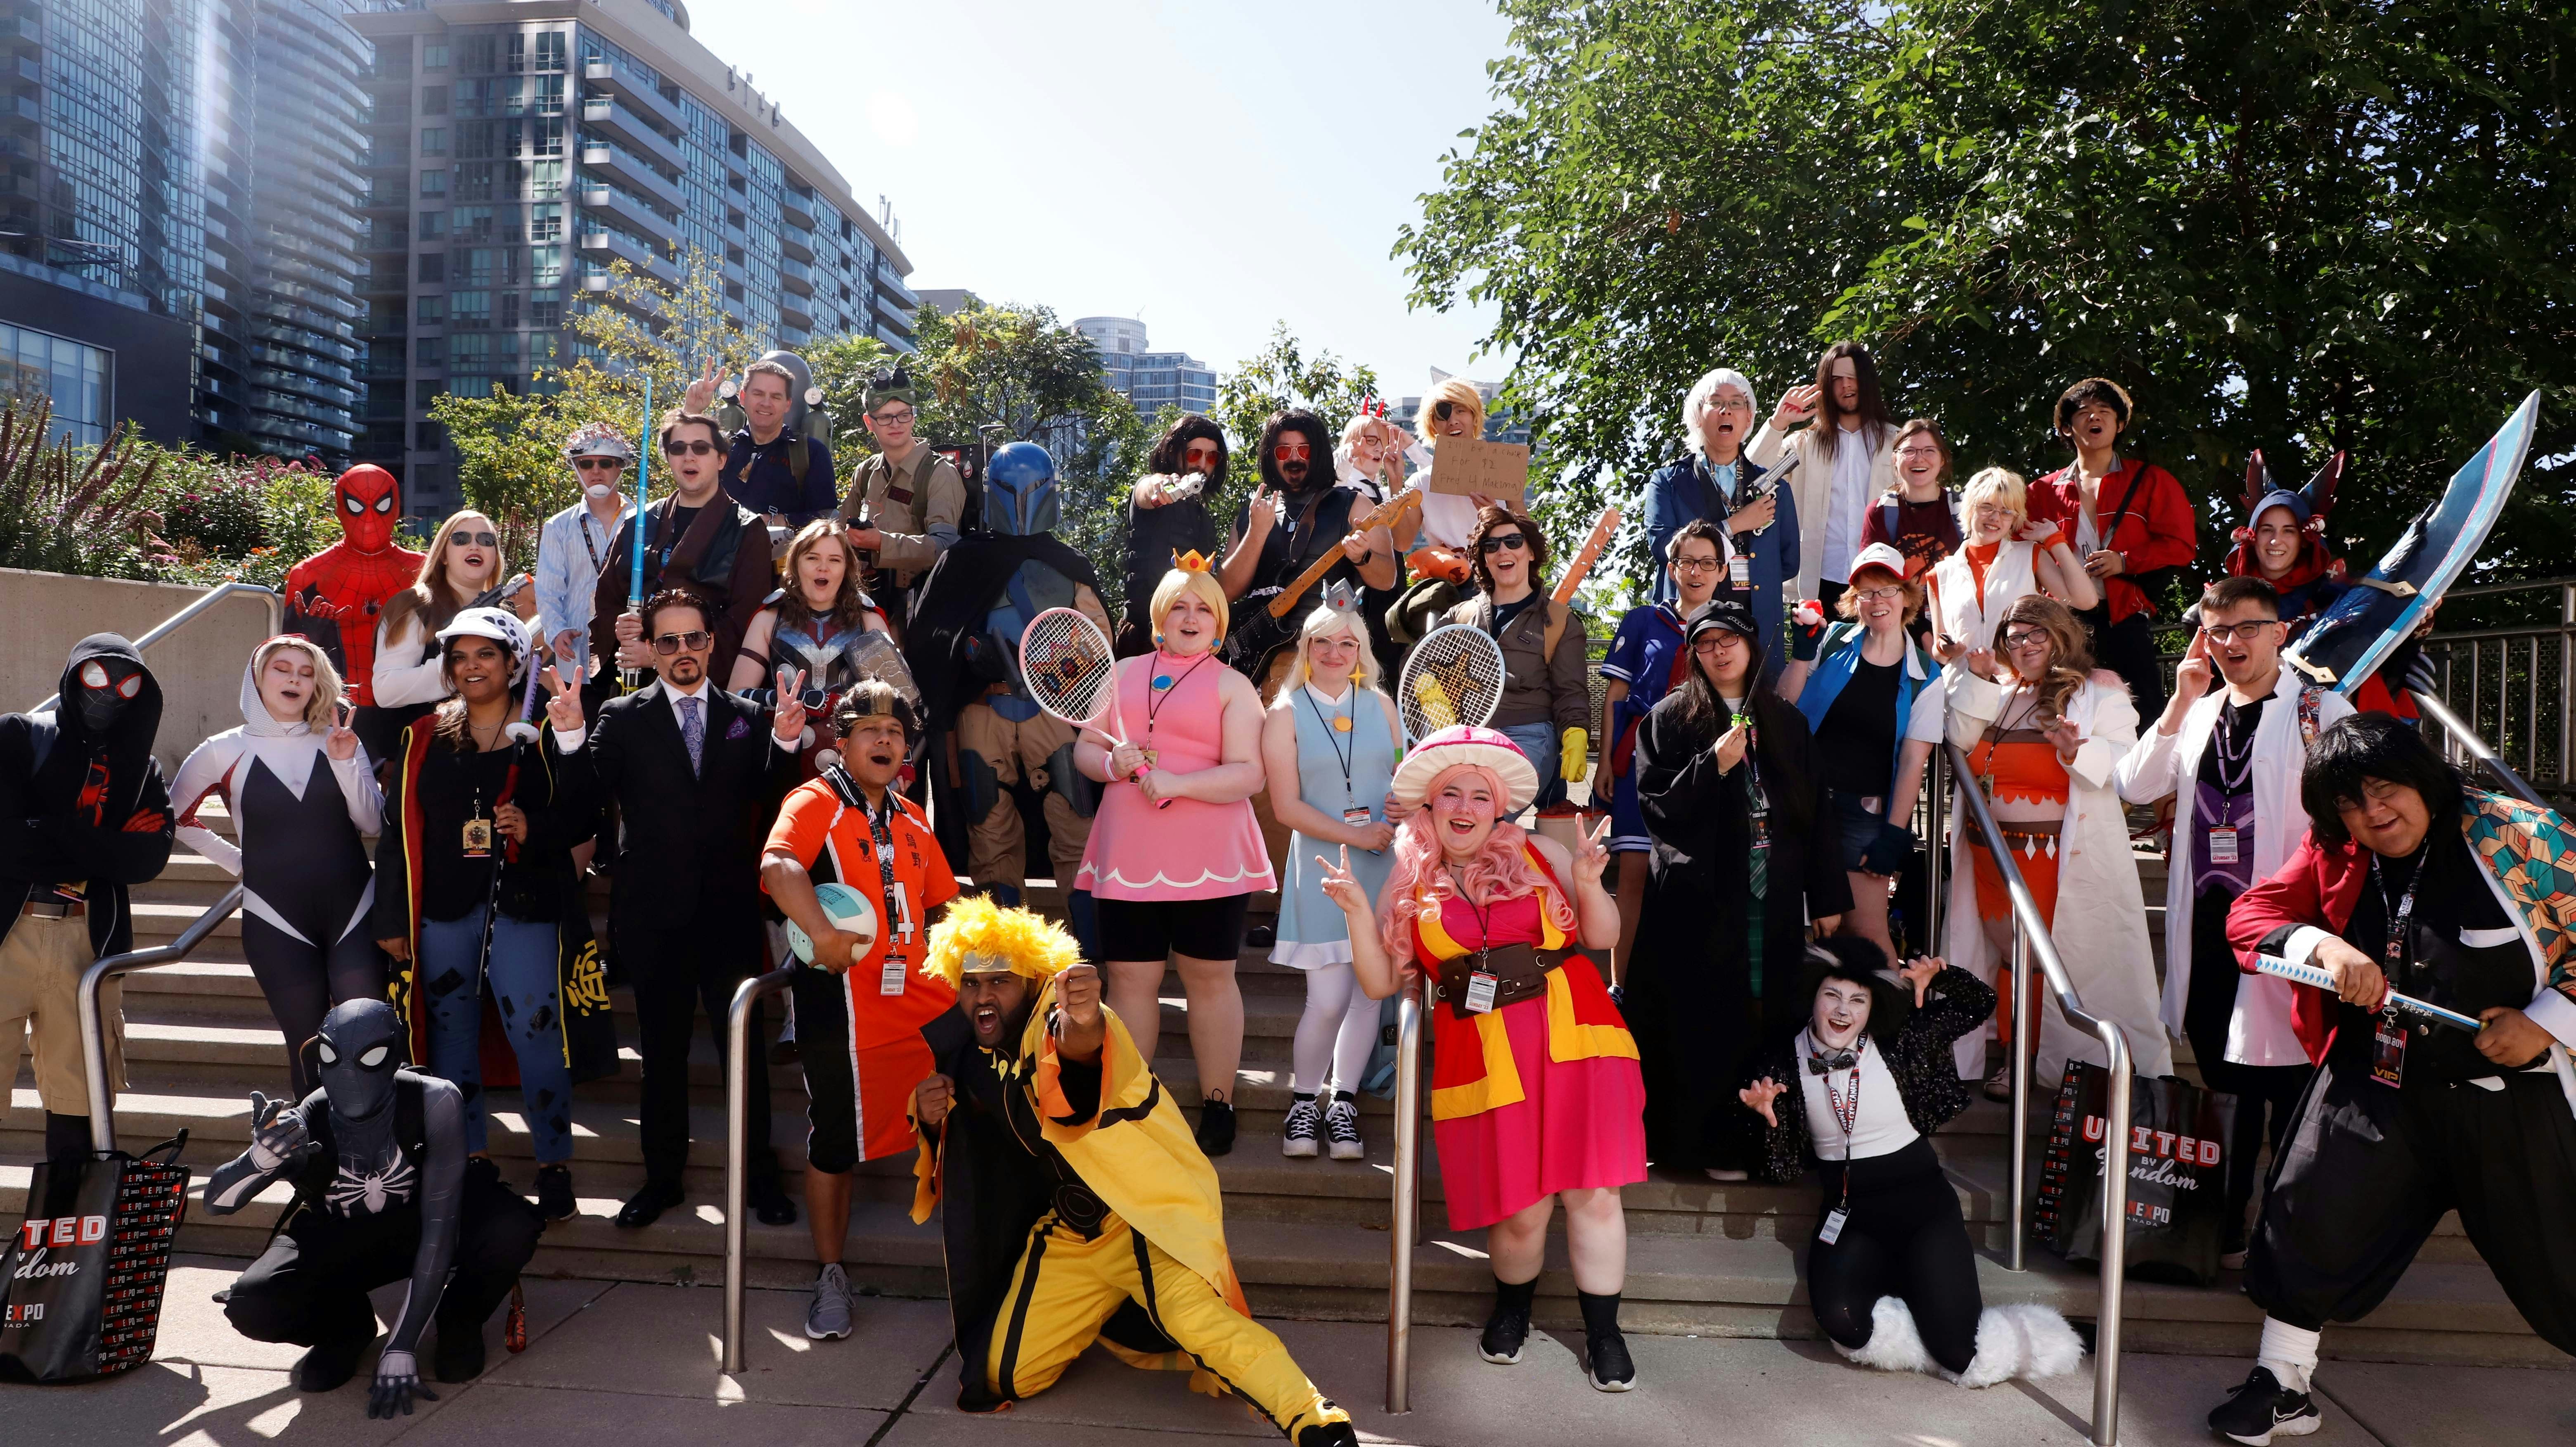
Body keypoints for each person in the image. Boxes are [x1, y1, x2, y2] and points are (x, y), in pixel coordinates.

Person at [2210, 714, 2576, 1442]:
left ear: (2423, 775)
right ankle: (2281, 1380)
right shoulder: (2338, 846)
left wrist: (2551, 1019)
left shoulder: (2526, 835)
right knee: (2306, 1211)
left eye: (2385, 789)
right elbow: (2254, 914)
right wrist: (2321, 945)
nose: (2372, 813)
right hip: (2378, 1077)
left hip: (2512, 1093)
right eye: (2349, 802)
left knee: (2564, 1255)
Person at [906, 898, 1358, 1444]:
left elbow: (1074, 1062)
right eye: (971, 983)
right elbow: (975, 1129)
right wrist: (931, 1114)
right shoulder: (970, 1052)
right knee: (997, 1379)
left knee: (1202, 1327)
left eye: (1000, 981)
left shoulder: (1062, 1022)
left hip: (1144, 1220)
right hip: (1072, 1236)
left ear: (1033, 981)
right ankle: (1110, 1307)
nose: (983, 996)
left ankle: (1314, 1418)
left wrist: (1087, 1019)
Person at [1326, 726, 1644, 1390]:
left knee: (1594, 1193)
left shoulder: (1542, 855)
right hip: (1484, 1051)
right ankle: (1513, 1310)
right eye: (1450, 794)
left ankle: (1606, 1334)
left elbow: (1602, 936)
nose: (1464, 806)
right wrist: (1358, 910)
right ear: (1429, 806)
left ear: (1498, 806)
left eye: (1479, 794)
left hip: (1577, 1034)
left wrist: (1589, 880)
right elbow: (1383, 984)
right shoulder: (1408, 882)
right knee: (1521, 1206)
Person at [2116, 578, 2353, 1267]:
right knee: (2226, 1074)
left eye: (2248, 628)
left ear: (2280, 632)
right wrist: (2181, 695)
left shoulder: (2320, 708)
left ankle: (2287, 1231)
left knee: (2288, 1083)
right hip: (2211, 929)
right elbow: (2134, 785)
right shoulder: (2201, 708)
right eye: (2217, 631)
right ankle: (2224, 1221)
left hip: (2291, 928)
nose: (2231, 644)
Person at [556, 588, 806, 1228]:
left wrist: (784, 743)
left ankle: (760, 1182)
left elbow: (775, 801)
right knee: (663, 1057)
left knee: (741, 1059)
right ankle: (662, 1181)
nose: (683, 652)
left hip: (727, 914)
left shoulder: (744, 715)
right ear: (653, 649)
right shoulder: (621, 716)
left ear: (712, 642)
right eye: (668, 642)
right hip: (653, 917)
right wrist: (569, 736)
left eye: (694, 638)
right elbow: (585, 799)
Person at [1738, 939, 2082, 1385]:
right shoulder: (1783, 1060)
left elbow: (1980, 1004)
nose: (1843, 1011)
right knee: (1845, 1324)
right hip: (1851, 1218)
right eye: (1833, 996)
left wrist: (1940, 977)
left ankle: (2033, 1334)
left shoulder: (1900, 1040)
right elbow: (1782, 1169)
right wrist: (1766, 1122)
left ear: (1871, 1008)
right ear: (1813, 998)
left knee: (1961, 1355)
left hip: (1924, 1212)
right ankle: (1919, 1303)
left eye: (1857, 1000)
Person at [372, 609, 611, 1222]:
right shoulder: (422, 735)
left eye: (486, 655)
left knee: (536, 1035)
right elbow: (397, 833)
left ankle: (554, 1162)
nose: (471, 667)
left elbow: (587, 816)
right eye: (459, 656)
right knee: (450, 1039)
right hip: (443, 912)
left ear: (513, 663)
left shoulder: (546, 731)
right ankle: (470, 1159)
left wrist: (535, 825)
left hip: (523, 907)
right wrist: (393, 919)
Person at [206, 999, 542, 1404]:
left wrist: (402, 1344)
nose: (349, 1076)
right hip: (344, 1233)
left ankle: (460, 1320)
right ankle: (346, 1329)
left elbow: (440, 1228)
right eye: (333, 1057)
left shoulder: (433, 1101)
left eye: (370, 1058)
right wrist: (257, 1161)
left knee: (510, 1227)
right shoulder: (307, 1119)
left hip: (421, 1219)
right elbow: (217, 1205)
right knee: (253, 1304)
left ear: (395, 1056)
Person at [760, 682, 960, 1341]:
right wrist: (819, 931)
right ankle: (831, 1275)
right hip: (840, 1003)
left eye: (896, 733)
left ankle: (981, 1260)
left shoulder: (912, 814)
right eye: (869, 730)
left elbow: (940, 905)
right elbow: (778, 865)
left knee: (973, 1107)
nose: (884, 741)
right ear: (840, 742)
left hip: (917, 1001)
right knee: (836, 1141)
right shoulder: (814, 800)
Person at [1631, 596, 1848, 1179]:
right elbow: (1657, 809)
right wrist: (1714, 765)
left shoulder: (1787, 723)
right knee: (1703, 1019)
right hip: (1701, 904)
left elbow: (1816, 816)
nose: (1718, 651)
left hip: (1772, 899)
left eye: (1729, 640)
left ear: (1752, 647)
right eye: (1705, 643)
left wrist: (1827, 897)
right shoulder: (1669, 719)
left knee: (1769, 1015)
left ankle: (1767, 1143)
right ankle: (1702, 1145)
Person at [1075, 555, 1274, 1156]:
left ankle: (1219, 1103)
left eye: (1204, 608)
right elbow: (1086, 749)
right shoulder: (1121, 673)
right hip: (1128, 849)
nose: (1192, 617)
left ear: (1219, 622)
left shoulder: (1234, 685)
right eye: (1180, 606)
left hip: (1211, 854)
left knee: (1210, 979)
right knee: (1131, 979)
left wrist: (1181, 785)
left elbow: (1250, 774)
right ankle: (1132, 1101)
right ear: (1161, 616)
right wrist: (1115, 763)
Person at [1939, 595, 2174, 1095]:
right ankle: (2014, 1052)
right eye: (2015, 636)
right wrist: (1976, 680)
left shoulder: (2099, 692)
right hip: (1990, 856)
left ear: (2061, 634)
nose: (2024, 646)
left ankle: (2038, 1062)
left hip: (2053, 858)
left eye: (2036, 634)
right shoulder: (1999, 689)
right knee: (2008, 957)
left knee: (2045, 959)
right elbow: (1957, 739)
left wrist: (2077, 752)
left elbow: (2124, 768)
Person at [903, 443, 1114, 943]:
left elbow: (1098, 646)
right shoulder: (963, 560)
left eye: (1033, 489)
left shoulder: (1068, 565)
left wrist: (1059, 666)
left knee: (1076, 824)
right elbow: (931, 639)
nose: (1022, 500)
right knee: (988, 830)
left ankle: (1091, 957)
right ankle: (1004, 959)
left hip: (1055, 707)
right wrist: (969, 656)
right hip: (982, 708)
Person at [172, 638, 385, 1099]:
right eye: (282, 668)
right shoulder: (221, 750)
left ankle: (376, 1159)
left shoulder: (339, 739)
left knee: (369, 1042)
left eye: (306, 673)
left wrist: (346, 763)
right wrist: (241, 863)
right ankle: (320, 1163)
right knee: (308, 1051)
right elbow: (176, 819)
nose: (294, 678)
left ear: (316, 685)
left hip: (355, 910)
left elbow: (372, 822)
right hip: (275, 920)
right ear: (257, 677)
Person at [0, 635, 174, 1163]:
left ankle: (66, 1240)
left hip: (88, 941)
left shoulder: (143, 773)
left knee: (81, 1107)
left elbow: (145, 861)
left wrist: (49, 830)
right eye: (98, 676)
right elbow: (9, 843)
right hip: (9, 931)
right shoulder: (19, 736)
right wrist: (103, 844)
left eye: (128, 683)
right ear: (74, 675)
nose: (111, 693)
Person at [1260, 584, 1402, 1161]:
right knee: (1327, 1000)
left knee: (1371, 994)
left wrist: (1401, 803)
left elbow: (1402, 773)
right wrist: (1357, 834)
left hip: (1381, 865)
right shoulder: (1284, 714)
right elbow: (1286, 808)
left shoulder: (1383, 705)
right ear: (1308, 646)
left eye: (1348, 643)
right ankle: (1303, 1103)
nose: (1336, 652)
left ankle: (1343, 1103)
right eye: (1325, 643)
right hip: (1322, 869)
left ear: (1362, 649)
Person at [1781, 543, 1944, 966]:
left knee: (1867, 932)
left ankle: (1895, 1030)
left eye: (1887, 590)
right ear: (1854, 600)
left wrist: (1894, 834)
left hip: (1864, 817)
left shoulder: (1926, 676)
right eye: (1867, 592)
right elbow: (1783, 711)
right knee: (1793, 927)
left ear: (1906, 596)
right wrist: (1801, 655)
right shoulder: (1831, 640)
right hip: (1803, 804)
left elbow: (1913, 761)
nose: (1877, 601)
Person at [1596, 519, 1729, 981]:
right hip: (1638, 765)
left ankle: (1678, 990)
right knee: (1632, 878)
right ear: (1672, 568)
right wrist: (1604, 763)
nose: (1697, 572)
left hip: (1700, 769)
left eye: (1708, 563)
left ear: (1722, 570)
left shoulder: (1730, 630)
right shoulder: (1642, 620)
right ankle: (1622, 987)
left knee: (1691, 880)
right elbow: (1616, 696)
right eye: (1687, 561)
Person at [2025, 377, 2198, 719]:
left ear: (2120, 425)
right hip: (2062, 620)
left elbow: (2181, 546)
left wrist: (2125, 561)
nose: (2095, 418)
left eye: (2105, 412)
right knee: (2060, 713)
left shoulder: (2152, 480)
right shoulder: (2040, 492)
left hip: (2124, 615)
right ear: (2065, 427)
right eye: (2085, 412)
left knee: (2141, 714)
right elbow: (2021, 554)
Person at [1217, 407, 1398, 697]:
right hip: (1255, 664)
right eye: (1283, 451)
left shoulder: (1355, 505)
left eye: (1304, 449)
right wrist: (1257, 533)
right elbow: (1224, 591)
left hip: (1327, 658)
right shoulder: (1254, 512)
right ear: (1269, 456)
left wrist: (1362, 558)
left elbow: (1387, 578)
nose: (1294, 458)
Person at [593, 408, 778, 690]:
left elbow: (746, 623)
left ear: (721, 459)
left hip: (705, 686)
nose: (689, 456)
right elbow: (607, 599)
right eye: (678, 448)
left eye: (701, 448)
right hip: (633, 686)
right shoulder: (637, 522)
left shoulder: (747, 530)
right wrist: (621, 628)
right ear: (668, 458)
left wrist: (661, 656)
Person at [727, 518, 916, 773]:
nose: (823, 568)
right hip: (784, 756)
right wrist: (800, 701)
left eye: (835, 560)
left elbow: (900, 703)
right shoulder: (768, 619)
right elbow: (736, 696)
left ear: (847, 568)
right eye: (813, 558)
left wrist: (903, 765)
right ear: (795, 564)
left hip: (855, 763)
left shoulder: (868, 620)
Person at [1643, 368, 1798, 661]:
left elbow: (1788, 562)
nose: (1727, 411)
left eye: (1737, 403)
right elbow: (1662, 546)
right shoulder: (1668, 481)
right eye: (1716, 402)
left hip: (1757, 630)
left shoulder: (1775, 486)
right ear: (1698, 415)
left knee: (1758, 706)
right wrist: (1734, 525)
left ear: (1750, 417)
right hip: (1686, 629)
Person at [1444, 504, 1590, 811]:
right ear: (1483, 558)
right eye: (1491, 545)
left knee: (1488, 814)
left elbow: (1571, 692)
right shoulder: (1461, 614)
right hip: (1465, 735)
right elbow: (1419, 662)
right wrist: (1428, 689)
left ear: (1531, 553)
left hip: (1528, 736)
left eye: (1513, 542)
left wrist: (1575, 732)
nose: (1502, 551)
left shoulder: (1560, 621)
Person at [369, 510, 538, 762]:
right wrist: (461, 670)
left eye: (486, 540)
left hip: (495, 753)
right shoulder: (414, 605)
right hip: (425, 759)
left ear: (495, 556)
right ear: (443, 555)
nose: (474, 546)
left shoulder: (506, 615)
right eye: (460, 539)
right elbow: (386, 691)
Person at [1750, 342, 1899, 612]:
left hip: (1882, 583)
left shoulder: (1896, 444)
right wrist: (1778, 423)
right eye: (1837, 379)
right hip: (1816, 584)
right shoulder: (1804, 445)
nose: (1846, 386)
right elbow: (1752, 479)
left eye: (1853, 377)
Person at [282, 463, 424, 724]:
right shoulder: (310, 574)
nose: (369, 521)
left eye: (381, 506)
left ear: (396, 509)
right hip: (333, 711)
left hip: (411, 708)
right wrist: (309, 634)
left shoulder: (423, 570)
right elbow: (282, 662)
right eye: (356, 507)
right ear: (339, 510)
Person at [837, 362, 968, 629]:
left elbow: (945, 548)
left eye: (904, 415)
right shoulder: (866, 472)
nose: (895, 424)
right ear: (869, 423)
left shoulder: (938, 473)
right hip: (865, 602)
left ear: (914, 416)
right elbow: (838, 531)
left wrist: (881, 543)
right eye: (885, 417)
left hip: (919, 610)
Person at [1928, 467, 2096, 666]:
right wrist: (1945, 648)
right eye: (1987, 507)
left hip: (2019, 687)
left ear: (2015, 519)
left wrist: (2055, 540)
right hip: (1963, 690)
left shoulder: (2031, 555)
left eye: (2007, 511)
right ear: (1970, 508)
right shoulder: (1940, 573)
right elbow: (1939, 651)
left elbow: (2086, 601)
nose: (1995, 517)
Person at [533, 422, 637, 718]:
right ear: (576, 467)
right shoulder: (559, 526)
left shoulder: (646, 521)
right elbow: (549, 590)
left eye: (606, 462)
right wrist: (557, 631)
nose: (596, 470)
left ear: (621, 467)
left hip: (629, 652)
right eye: (586, 463)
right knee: (582, 735)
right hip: (578, 655)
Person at [1385, 378, 1493, 647]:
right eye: (1443, 414)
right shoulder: (1421, 482)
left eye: (1461, 411)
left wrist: (1495, 516)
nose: (1453, 421)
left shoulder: (1500, 469)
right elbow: (1402, 542)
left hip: (1498, 581)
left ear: (1474, 415)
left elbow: (1528, 534)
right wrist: (1396, 483)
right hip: (1448, 591)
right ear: (1433, 426)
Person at [680, 353, 839, 527]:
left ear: (788, 404)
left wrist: (784, 521)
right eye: (758, 394)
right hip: (717, 552)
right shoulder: (722, 447)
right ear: (743, 397)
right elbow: (677, 458)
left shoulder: (810, 453)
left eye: (776, 397)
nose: (766, 403)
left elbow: (827, 516)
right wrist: (692, 411)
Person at [1116, 413, 1227, 658]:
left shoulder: (1203, 517)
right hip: (1143, 642)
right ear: (1174, 453)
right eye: (1194, 454)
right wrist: (1161, 487)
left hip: (1190, 643)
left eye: (1212, 457)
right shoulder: (1154, 488)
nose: (1202, 463)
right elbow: (1148, 490)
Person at [1335, 408, 1415, 682]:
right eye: (1370, 440)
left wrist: (1396, 482)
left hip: (1390, 601)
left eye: (1382, 441)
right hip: (1358, 600)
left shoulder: (1381, 491)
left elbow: (1403, 543)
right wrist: (1346, 459)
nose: (1379, 448)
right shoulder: (1339, 488)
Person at [1857, 418, 1963, 584]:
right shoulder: (1881, 512)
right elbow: (1872, 579)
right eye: (1909, 451)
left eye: (1929, 451)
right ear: (1895, 459)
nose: (1919, 459)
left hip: (1956, 610)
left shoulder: (1964, 508)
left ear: (1943, 459)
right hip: (1901, 610)